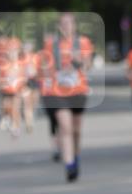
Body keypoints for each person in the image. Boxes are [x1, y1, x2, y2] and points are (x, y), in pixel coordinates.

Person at [39, 13, 93, 182]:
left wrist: (79, 61)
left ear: (74, 26)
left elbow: (87, 66)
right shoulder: (50, 44)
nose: (66, 27)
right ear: (59, 27)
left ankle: (75, 157)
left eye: (69, 23)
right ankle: (69, 164)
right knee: (65, 127)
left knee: (76, 130)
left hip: (78, 90)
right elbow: (44, 67)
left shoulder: (82, 42)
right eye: (63, 24)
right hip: (57, 92)